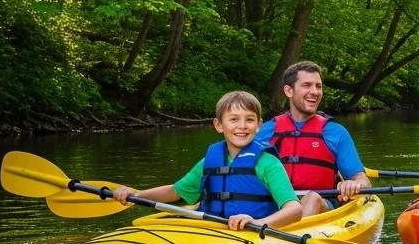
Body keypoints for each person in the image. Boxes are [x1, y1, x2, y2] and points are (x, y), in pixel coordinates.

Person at [112, 91, 301, 231]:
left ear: (259, 126)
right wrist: (136, 195)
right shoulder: (210, 161)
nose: (242, 126)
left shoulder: (268, 163)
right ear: (219, 125)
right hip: (213, 231)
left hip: (254, 232)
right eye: (234, 119)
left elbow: (294, 209)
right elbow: (175, 191)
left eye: (249, 120)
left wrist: (258, 223)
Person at [257, 61, 371, 216]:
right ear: (289, 91)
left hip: (321, 205)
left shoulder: (335, 132)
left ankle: (295, 236)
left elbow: (362, 180)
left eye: (318, 86)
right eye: (307, 85)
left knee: (312, 198)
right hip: (276, 205)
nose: (315, 91)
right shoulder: (266, 131)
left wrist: (353, 184)